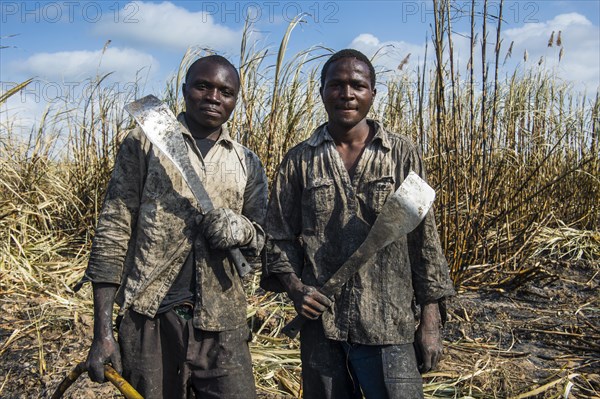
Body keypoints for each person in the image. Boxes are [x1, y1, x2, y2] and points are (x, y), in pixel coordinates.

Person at [261, 49, 455, 398]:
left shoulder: (401, 154)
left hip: (388, 324)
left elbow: (424, 239)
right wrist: (294, 287)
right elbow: (278, 238)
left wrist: (430, 320)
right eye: (336, 84)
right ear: (321, 91)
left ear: (372, 94)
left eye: (357, 85)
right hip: (322, 326)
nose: (346, 94)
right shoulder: (299, 160)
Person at [79, 55, 268, 399]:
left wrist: (241, 230)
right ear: (184, 90)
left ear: (235, 100)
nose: (213, 97)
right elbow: (113, 230)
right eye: (203, 86)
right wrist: (102, 332)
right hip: (149, 318)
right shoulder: (144, 142)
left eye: (225, 91)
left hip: (223, 323)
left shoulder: (247, 162)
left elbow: (262, 240)